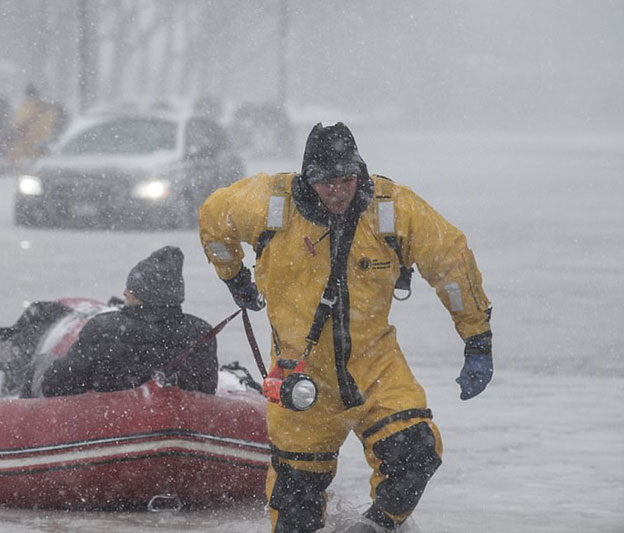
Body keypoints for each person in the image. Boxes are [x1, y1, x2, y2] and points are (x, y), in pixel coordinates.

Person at [198, 123, 493, 532]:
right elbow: (214, 221)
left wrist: (476, 339)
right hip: (301, 378)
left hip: (375, 366)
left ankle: (376, 526)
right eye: (326, 183)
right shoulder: (266, 204)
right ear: (307, 180)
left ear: (360, 174)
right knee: (293, 507)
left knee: (417, 452)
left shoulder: (392, 210)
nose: (338, 192)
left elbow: (452, 265)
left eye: (346, 181)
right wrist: (235, 279)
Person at [41, 246, 219, 397]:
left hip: (108, 422)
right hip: (182, 422)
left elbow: (58, 385)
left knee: (41, 364)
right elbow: (207, 389)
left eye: (131, 289)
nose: (125, 293)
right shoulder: (200, 332)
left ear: (141, 294)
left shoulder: (103, 328)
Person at [7, 84, 59, 173]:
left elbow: (17, 122)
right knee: (36, 158)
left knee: (20, 155)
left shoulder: (28, 105)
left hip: (30, 138)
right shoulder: (46, 107)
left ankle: (28, 174)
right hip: (43, 138)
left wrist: (16, 128)